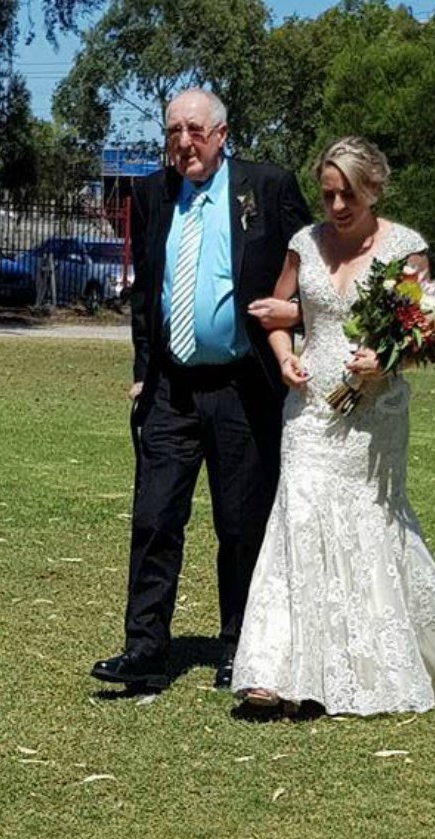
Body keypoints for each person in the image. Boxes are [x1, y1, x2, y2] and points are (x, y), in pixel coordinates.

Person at [231, 136, 435, 715]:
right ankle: (273, 671)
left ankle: (361, 663)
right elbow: (278, 314)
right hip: (309, 408)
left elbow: (426, 336)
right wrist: (285, 356)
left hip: (372, 414)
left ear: (374, 189)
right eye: (327, 194)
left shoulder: (405, 249)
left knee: (367, 524)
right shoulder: (303, 243)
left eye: (347, 195)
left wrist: (388, 361)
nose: (334, 207)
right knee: (297, 521)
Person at [91, 88, 310, 691]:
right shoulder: (152, 192)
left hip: (242, 385)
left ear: (220, 134)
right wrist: (142, 369)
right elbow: (146, 292)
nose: (182, 143)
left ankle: (241, 645)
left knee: (240, 524)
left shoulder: (266, 188)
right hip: (170, 388)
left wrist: (293, 325)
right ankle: (145, 649)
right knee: (155, 516)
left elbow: (310, 272)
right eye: (173, 132)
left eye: (193, 130)